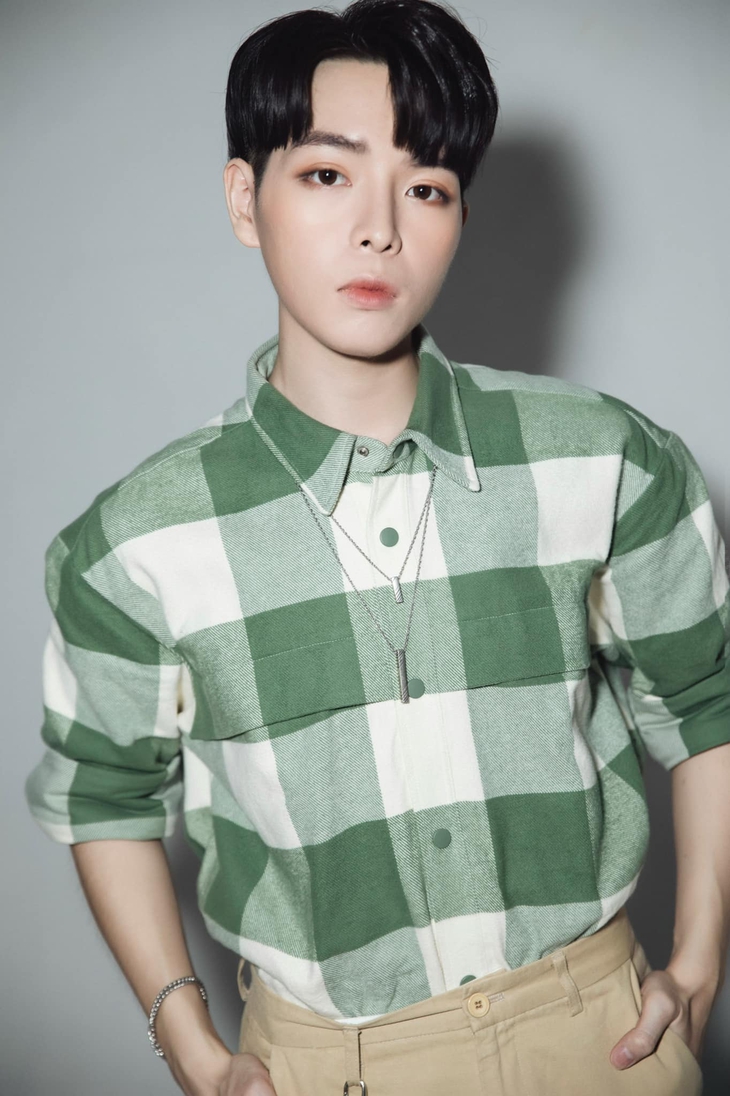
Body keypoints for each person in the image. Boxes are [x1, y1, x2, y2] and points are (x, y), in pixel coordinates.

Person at [24, 1, 730, 1094]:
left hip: (601, 1041)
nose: (380, 230)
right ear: (244, 199)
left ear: (459, 215)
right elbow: (104, 795)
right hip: (327, 1065)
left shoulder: (606, 458)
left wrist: (699, 956)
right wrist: (193, 1047)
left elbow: (706, 700)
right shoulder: (134, 542)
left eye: (426, 187)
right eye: (325, 174)